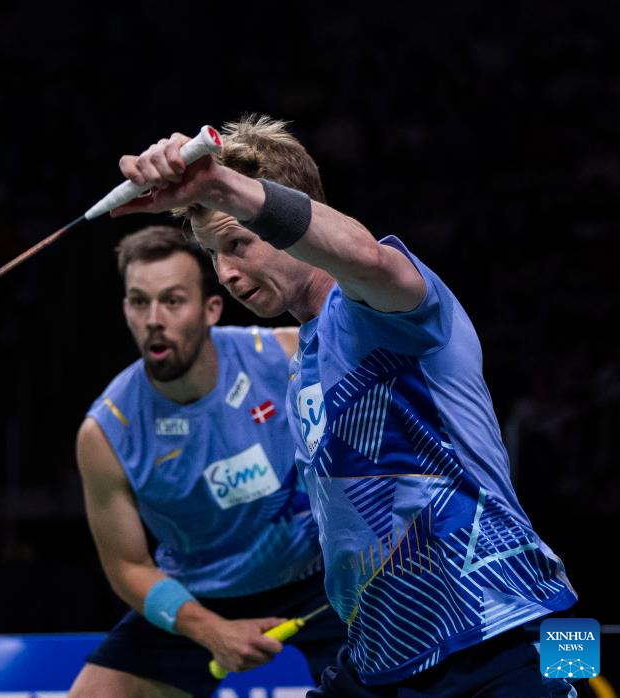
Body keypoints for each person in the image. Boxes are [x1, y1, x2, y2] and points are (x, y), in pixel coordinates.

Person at [110, 117, 579, 697]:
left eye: (238, 243)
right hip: (384, 657)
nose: (225, 273)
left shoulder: (382, 309)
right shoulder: (302, 358)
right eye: (213, 253)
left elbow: (364, 256)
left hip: (505, 631)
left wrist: (220, 184)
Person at [69, 225, 345, 697]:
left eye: (173, 301)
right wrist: (212, 630)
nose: (154, 319)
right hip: (200, 594)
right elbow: (128, 566)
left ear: (211, 309)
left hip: (319, 576)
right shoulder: (107, 432)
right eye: (139, 302)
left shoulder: (286, 357)